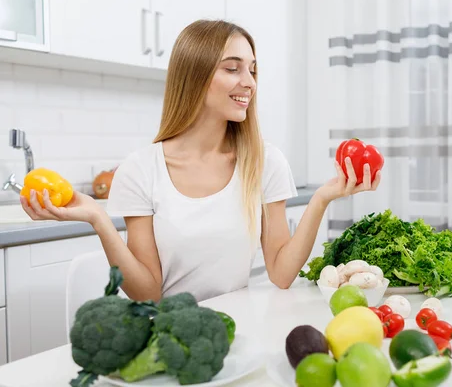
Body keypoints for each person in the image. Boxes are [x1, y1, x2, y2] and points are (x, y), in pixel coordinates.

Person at [19, 19, 381, 303]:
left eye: (252, 69)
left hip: (238, 327)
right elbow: (148, 293)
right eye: (233, 68)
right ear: (194, 76)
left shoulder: (263, 161)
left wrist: (321, 198)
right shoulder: (141, 169)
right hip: (166, 337)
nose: (249, 82)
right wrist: (99, 219)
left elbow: (281, 274)